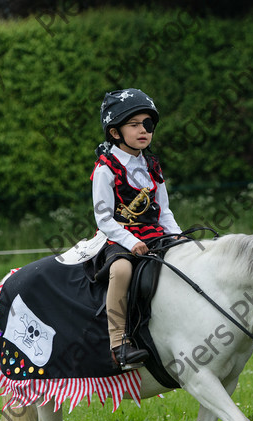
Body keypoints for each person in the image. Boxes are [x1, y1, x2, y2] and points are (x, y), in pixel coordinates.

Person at [91, 88, 181, 368]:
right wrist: (130, 243)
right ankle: (118, 344)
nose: (144, 130)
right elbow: (103, 218)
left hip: (154, 235)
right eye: (134, 125)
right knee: (121, 270)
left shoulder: (152, 165)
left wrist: (177, 236)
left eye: (148, 124)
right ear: (116, 132)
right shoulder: (106, 168)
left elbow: (163, 210)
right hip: (118, 236)